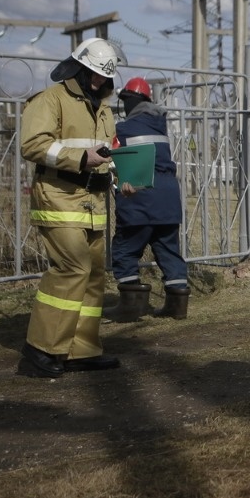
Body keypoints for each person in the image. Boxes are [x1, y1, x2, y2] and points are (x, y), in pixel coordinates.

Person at [18, 37, 125, 378]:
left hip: (94, 201)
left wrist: (124, 177)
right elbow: (33, 145)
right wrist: (79, 158)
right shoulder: (51, 100)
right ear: (78, 68)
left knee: (93, 276)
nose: (99, 82)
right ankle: (41, 350)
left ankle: (81, 350)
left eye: (104, 77)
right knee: (71, 269)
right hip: (59, 197)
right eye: (93, 75)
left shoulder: (104, 109)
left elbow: (109, 153)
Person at [104, 77, 190, 321]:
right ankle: (177, 306)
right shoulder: (159, 125)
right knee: (168, 250)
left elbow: (109, 157)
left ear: (130, 101)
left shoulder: (123, 129)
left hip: (139, 198)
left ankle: (131, 306)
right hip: (168, 199)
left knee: (125, 250)